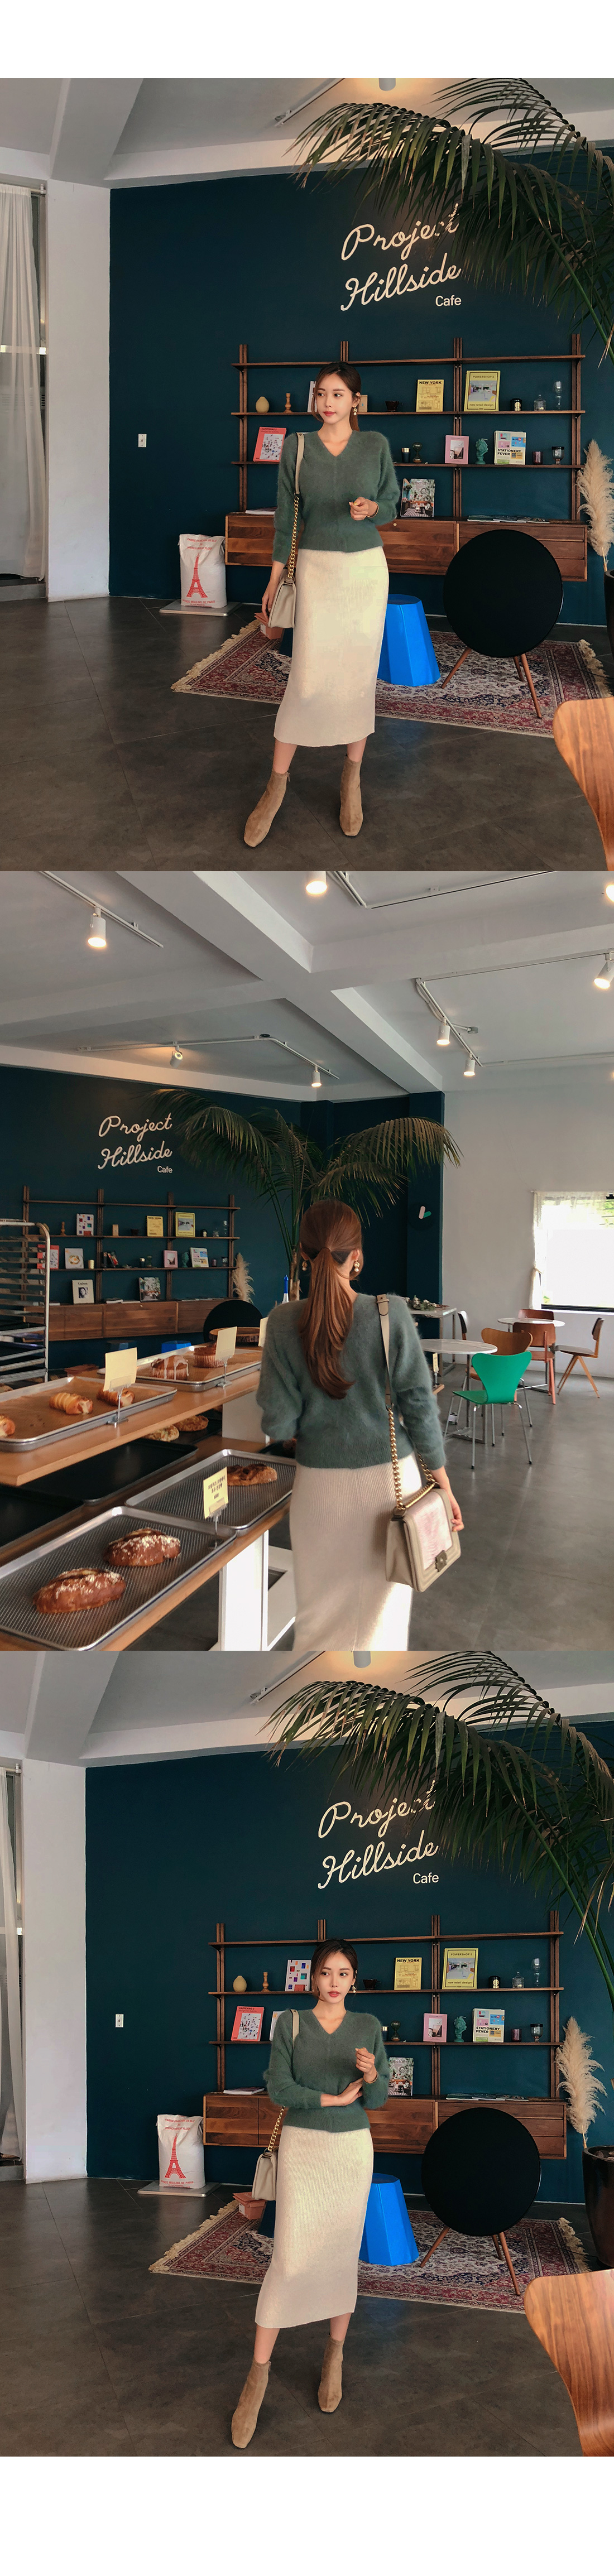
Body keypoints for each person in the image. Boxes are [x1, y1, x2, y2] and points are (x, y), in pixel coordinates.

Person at [255, 1199, 462, 1650]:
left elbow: (279, 1422)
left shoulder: (283, 1322)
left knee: (316, 1624)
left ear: (304, 1257)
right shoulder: (392, 1314)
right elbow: (419, 1408)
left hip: (319, 1493)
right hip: (391, 1489)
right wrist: (443, 1485)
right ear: (357, 1257)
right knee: (382, 1629)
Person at [231, 1940, 389, 2449]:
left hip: (352, 2151)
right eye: (326, 1972)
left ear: (354, 1979)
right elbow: (279, 2088)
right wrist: (332, 2099)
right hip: (304, 2148)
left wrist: (371, 2074)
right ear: (313, 1978)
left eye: (344, 1973)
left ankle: (334, 2356)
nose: (334, 1982)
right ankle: (257, 2377)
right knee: (291, 2259)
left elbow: (379, 2098)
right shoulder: (291, 2023)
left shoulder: (368, 2026)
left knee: (342, 2255)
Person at [243, 363, 400, 848]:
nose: (328, 402)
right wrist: (274, 580)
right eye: (321, 394)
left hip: (366, 573)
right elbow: (287, 519)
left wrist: (373, 509)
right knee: (306, 680)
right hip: (314, 571)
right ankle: (275, 787)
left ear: (356, 401)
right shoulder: (298, 447)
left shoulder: (375, 445)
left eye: (338, 394)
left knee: (357, 677)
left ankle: (352, 779)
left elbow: (392, 504)